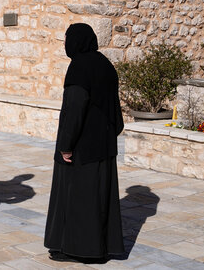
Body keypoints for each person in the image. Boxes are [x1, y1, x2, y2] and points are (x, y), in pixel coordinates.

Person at [44, 23, 125, 264]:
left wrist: (66, 145)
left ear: (77, 41)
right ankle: (101, 248)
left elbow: (75, 108)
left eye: (67, 38)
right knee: (99, 199)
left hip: (81, 148)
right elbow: (115, 112)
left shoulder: (78, 67)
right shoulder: (105, 65)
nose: (65, 44)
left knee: (78, 199)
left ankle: (77, 250)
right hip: (103, 145)